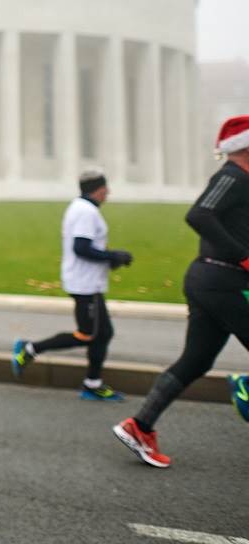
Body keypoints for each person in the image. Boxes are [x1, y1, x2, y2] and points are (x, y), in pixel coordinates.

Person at [114, 116, 249, 468]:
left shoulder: (241, 180)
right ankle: (246, 390)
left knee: (197, 360)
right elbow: (199, 214)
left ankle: (139, 426)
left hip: (214, 281)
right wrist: (243, 256)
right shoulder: (231, 176)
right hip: (221, 280)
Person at [11, 167, 132, 401]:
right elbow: (82, 248)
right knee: (89, 334)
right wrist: (113, 256)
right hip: (85, 284)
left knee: (102, 333)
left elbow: (86, 247)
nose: (108, 193)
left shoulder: (81, 208)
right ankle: (29, 350)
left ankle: (92, 383)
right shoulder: (86, 212)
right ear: (99, 190)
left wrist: (111, 259)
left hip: (87, 281)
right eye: (106, 189)